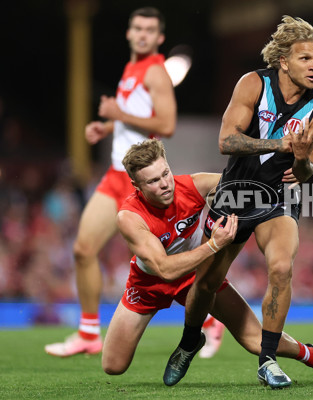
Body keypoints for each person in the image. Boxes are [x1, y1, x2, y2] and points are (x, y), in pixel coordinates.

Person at [163, 15, 313, 389]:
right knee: (207, 283)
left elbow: (305, 174)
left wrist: (304, 160)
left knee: (281, 268)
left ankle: (268, 360)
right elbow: (226, 141)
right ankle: (190, 340)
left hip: (277, 200)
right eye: (305, 59)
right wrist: (280, 144)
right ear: (283, 61)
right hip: (235, 193)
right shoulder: (253, 84)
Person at [102, 139, 313, 388]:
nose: (165, 184)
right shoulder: (129, 217)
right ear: (136, 185)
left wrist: (297, 173)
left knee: (255, 341)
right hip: (148, 284)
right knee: (113, 366)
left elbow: (248, 186)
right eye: (153, 181)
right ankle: (195, 338)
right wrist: (213, 245)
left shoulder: (194, 185)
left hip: (196, 275)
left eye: (165, 173)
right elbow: (165, 270)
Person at [44, 7, 218, 357]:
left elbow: (166, 124)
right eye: (137, 27)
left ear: (159, 38)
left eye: (149, 30)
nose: (141, 34)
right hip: (113, 172)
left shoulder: (155, 71)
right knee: (83, 250)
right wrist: (107, 127)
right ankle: (89, 332)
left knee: (154, 262)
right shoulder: (131, 69)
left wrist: (116, 114)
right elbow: (135, 119)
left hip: (137, 179)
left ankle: (211, 321)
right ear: (128, 32)